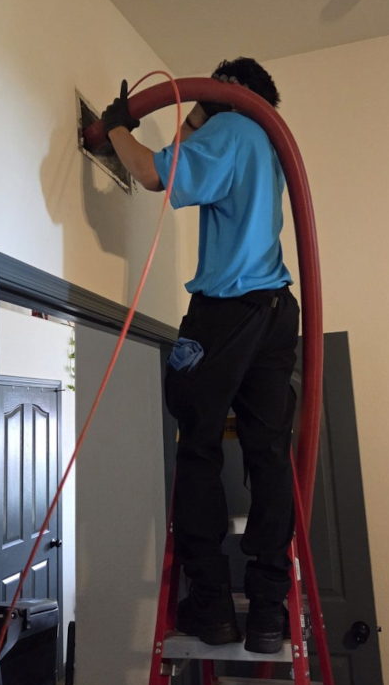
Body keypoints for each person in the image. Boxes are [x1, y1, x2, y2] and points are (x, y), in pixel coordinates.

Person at [102, 58, 299, 654]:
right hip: (274, 311)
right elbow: (193, 163)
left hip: (227, 308)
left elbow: (152, 174)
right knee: (267, 454)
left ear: (231, 93)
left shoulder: (233, 131)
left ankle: (211, 604)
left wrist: (114, 127)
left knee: (198, 441)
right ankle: (268, 612)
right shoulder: (267, 147)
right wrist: (194, 120)